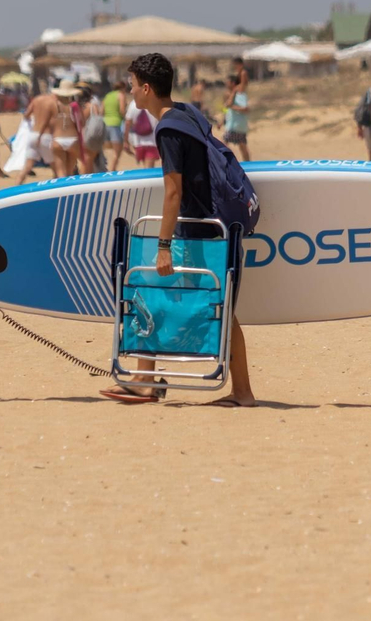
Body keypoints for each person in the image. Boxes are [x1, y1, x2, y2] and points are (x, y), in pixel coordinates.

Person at [99, 52, 256, 407]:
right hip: (213, 227)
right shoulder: (187, 112)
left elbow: (173, 191)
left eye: (133, 85)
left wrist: (164, 245)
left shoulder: (168, 128)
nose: (131, 92)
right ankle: (146, 378)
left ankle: (149, 380)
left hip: (199, 231)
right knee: (214, 303)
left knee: (155, 292)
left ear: (147, 88)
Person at [222, 71, 251, 161]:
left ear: (233, 83)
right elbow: (226, 108)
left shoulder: (240, 94)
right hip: (234, 124)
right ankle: (247, 164)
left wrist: (232, 106)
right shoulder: (230, 94)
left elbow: (245, 109)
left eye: (228, 83)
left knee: (223, 145)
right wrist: (222, 120)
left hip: (235, 125)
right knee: (242, 147)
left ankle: (229, 162)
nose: (226, 84)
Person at [102, 77, 129, 169]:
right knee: (117, 152)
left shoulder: (107, 95)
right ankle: (112, 170)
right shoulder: (121, 95)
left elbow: (102, 111)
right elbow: (122, 110)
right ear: (123, 88)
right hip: (115, 123)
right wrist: (126, 118)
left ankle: (108, 168)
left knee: (107, 149)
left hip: (105, 123)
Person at [128, 94, 159, 168]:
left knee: (145, 166)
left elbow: (128, 122)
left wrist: (126, 140)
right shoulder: (154, 103)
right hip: (152, 141)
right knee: (149, 168)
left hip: (138, 141)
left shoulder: (133, 104)